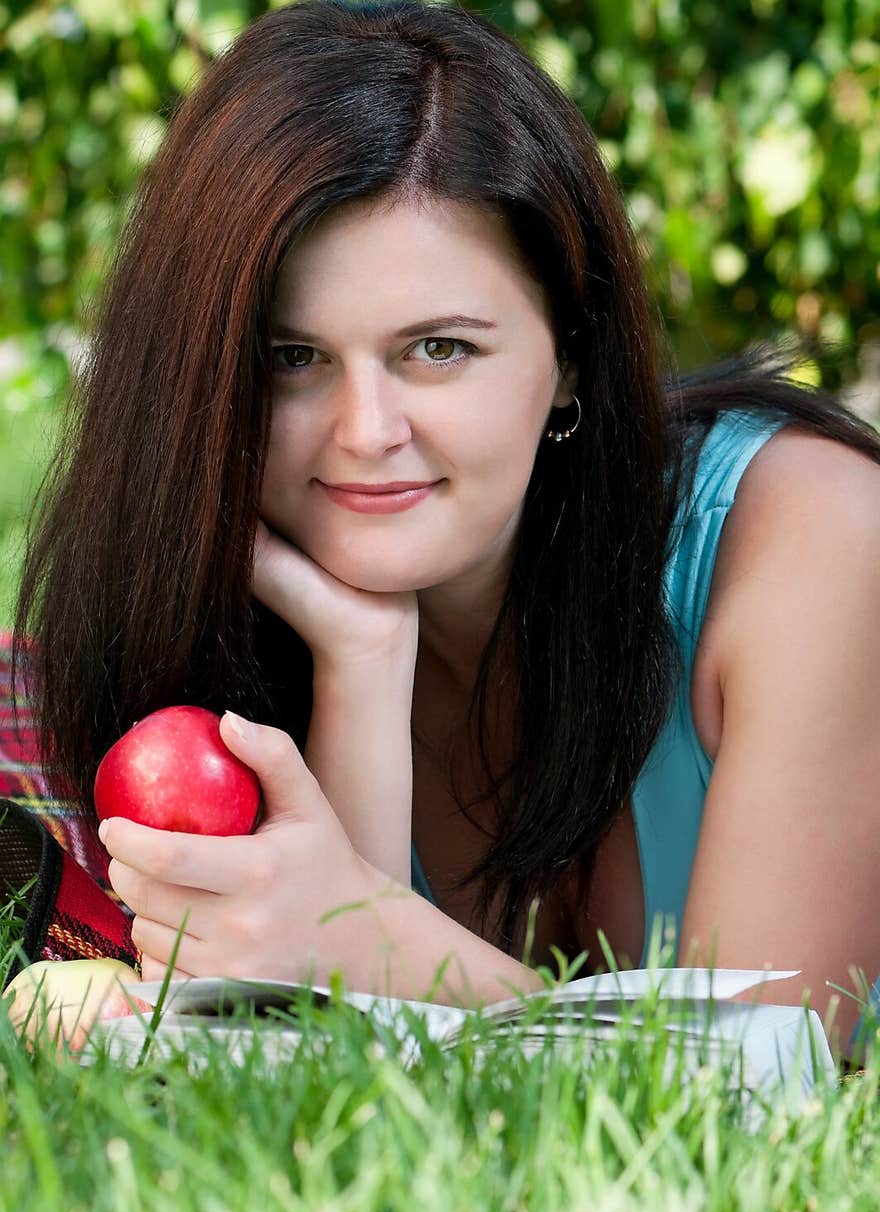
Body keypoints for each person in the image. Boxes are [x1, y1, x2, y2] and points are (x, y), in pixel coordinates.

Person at [3, 0, 879, 1062]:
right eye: (294, 358)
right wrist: (363, 659)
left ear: (568, 350)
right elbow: (341, 1081)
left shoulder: (813, 541)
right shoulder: (248, 627)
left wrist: (365, 939)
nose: (366, 433)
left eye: (440, 350)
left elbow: (759, 1090)